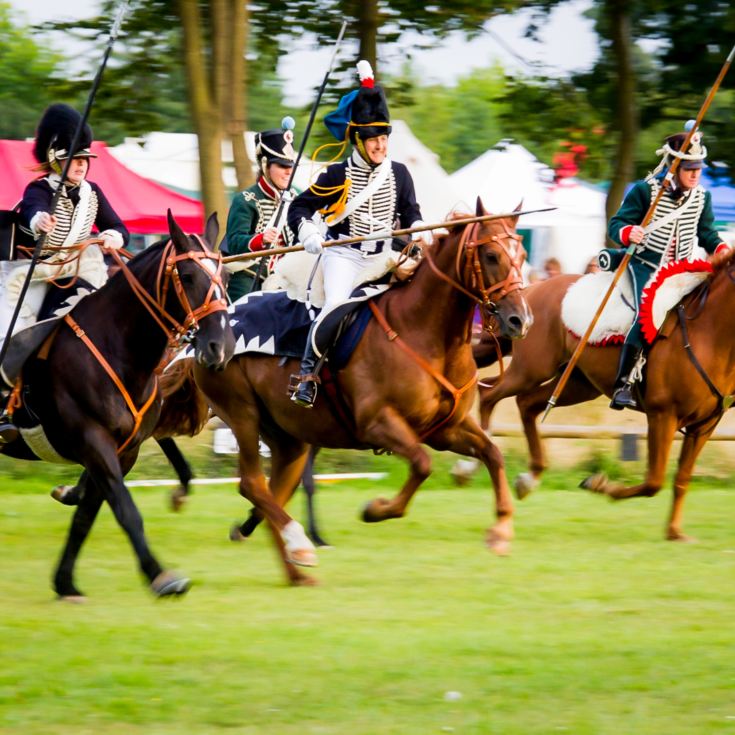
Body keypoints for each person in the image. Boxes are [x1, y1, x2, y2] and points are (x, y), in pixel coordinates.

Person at [287, 60, 431, 408]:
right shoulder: (338, 175)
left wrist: (414, 231)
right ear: (358, 140)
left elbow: (411, 212)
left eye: (383, 139)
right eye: (373, 140)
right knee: (336, 304)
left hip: (386, 254)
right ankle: (308, 376)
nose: (380, 146)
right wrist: (306, 231)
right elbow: (299, 208)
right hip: (345, 256)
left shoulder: (400, 173)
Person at [0, 103, 129, 443]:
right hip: (32, 270)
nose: (82, 166)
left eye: (85, 160)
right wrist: (38, 221)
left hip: (73, 267)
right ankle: (4, 405)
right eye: (75, 159)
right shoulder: (41, 188)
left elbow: (117, 226)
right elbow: (32, 209)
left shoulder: (93, 194)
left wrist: (114, 236)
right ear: (57, 159)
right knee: (15, 329)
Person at [606, 124, 730, 411]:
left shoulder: (703, 197)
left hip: (684, 269)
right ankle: (623, 383)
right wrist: (629, 233)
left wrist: (722, 250)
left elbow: (707, 233)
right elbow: (616, 224)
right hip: (646, 266)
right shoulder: (644, 191)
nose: (696, 173)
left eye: (698, 167)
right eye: (689, 168)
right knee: (648, 312)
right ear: (674, 167)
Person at [224, 118, 298, 301]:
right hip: (248, 279)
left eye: (291, 166)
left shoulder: (295, 200)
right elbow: (234, 243)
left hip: (285, 280)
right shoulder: (246, 200)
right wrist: (260, 239)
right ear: (265, 165)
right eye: (282, 165)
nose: (288, 171)